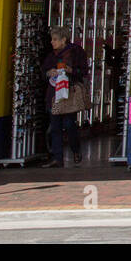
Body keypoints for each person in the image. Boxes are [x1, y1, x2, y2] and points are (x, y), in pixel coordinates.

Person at [40, 25, 89, 167]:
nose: (52, 42)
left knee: (69, 124)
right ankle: (57, 158)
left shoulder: (76, 52)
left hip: (69, 94)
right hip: (54, 94)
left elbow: (83, 71)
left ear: (63, 40)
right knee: (55, 126)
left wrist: (70, 70)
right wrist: (49, 72)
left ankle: (75, 149)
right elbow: (44, 71)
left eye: (55, 39)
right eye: (52, 39)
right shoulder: (51, 55)